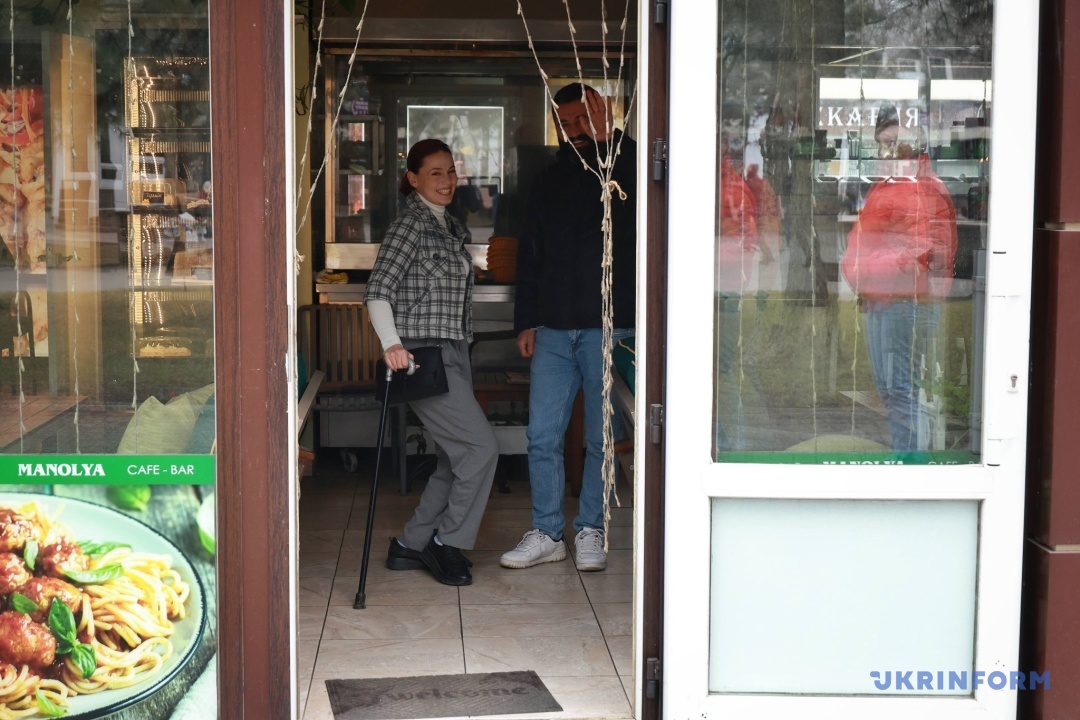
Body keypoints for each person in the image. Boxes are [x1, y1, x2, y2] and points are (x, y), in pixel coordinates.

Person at [500, 83, 636, 572]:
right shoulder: (547, 179)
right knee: (541, 436)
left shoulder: (625, 167)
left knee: (601, 439)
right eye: (567, 122)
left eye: (584, 119)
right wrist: (525, 321)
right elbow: (530, 256)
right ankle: (548, 532)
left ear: (602, 117)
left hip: (609, 328)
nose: (575, 130)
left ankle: (591, 530)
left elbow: (643, 205)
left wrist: (609, 140)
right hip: (554, 330)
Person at [364, 138, 499, 586]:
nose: (446, 180)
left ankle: (410, 544)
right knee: (480, 449)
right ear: (414, 178)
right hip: (422, 354)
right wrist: (391, 345)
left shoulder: (451, 226)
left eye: (450, 171)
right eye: (435, 173)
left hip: (454, 350)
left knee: (453, 458)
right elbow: (378, 290)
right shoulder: (410, 226)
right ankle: (447, 543)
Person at [841, 105, 958, 455]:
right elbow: (870, 240)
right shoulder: (891, 184)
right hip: (882, 299)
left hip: (905, 302)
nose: (886, 151)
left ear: (912, 142)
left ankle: (911, 465)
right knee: (892, 391)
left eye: (893, 142)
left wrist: (866, 268)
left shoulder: (923, 188)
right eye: (882, 143)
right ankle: (906, 459)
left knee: (901, 390)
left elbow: (927, 251)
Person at [715, 133, 758, 450]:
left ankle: (735, 447)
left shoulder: (731, 189)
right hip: (720, 286)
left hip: (723, 288)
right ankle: (723, 441)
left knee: (722, 370)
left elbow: (743, 245)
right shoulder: (720, 184)